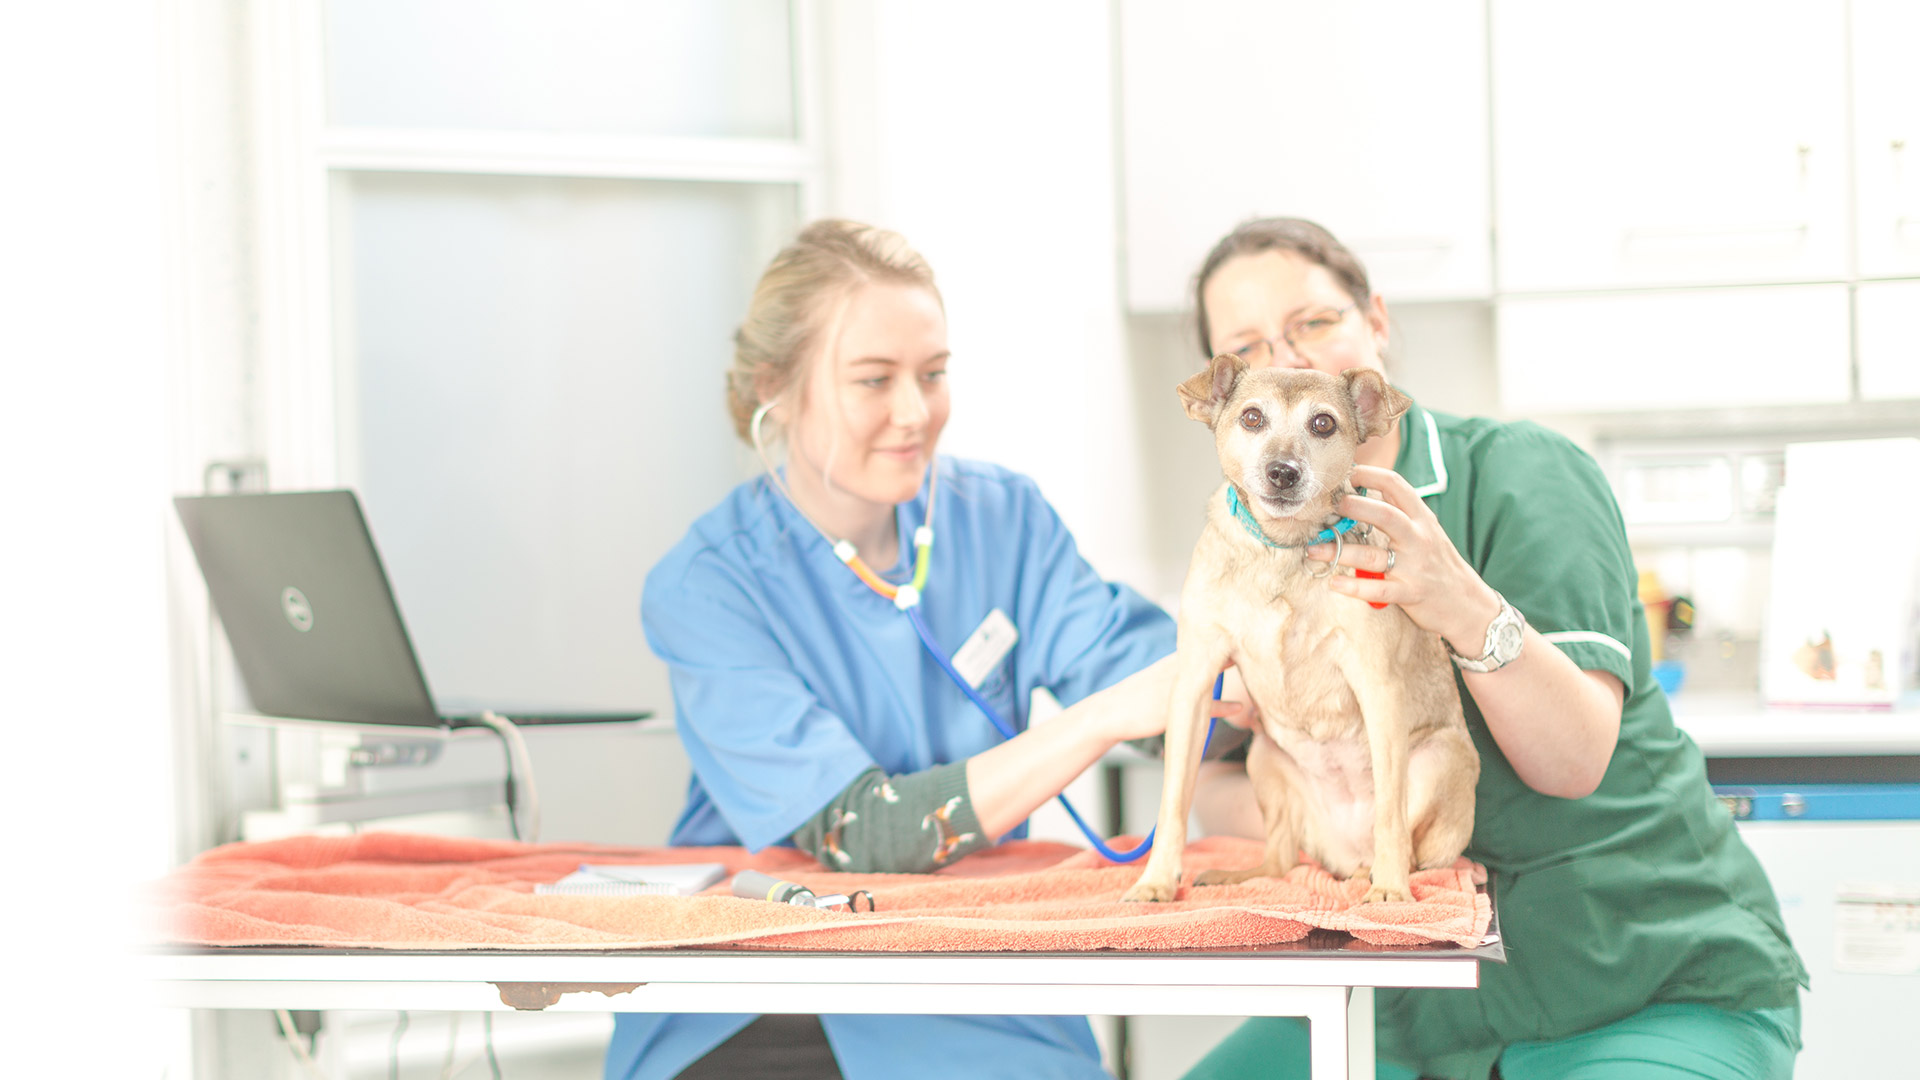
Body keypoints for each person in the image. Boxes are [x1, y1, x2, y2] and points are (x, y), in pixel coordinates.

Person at [607, 219, 1240, 1080]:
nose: (915, 413)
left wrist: (1259, 690)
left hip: (971, 977)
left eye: (934, 376)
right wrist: (1092, 723)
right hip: (768, 979)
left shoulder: (1002, 520)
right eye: (874, 380)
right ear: (776, 389)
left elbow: (1179, 698)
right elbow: (866, 830)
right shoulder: (709, 586)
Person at [1177, 218, 1808, 1080]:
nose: (1291, 360)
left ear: (1377, 324)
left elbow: (1575, 755)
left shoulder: (1526, 475)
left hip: (1639, 971)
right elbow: (1222, 787)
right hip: (1398, 998)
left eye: (1314, 323)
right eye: (1249, 346)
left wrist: (1456, 599)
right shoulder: (1259, 549)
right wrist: (1308, 774)